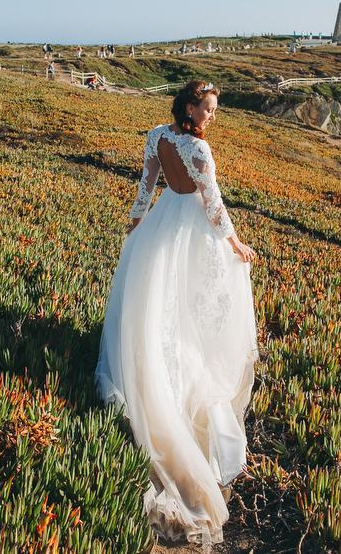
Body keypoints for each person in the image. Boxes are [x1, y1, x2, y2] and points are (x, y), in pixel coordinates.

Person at [95, 81, 258, 547]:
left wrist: (136, 221)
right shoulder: (200, 152)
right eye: (207, 110)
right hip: (191, 228)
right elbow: (214, 206)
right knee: (191, 307)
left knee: (157, 307)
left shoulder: (154, 136)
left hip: (162, 222)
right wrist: (235, 244)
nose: (212, 117)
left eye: (214, 110)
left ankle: (153, 370)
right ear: (189, 107)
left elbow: (147, 185)